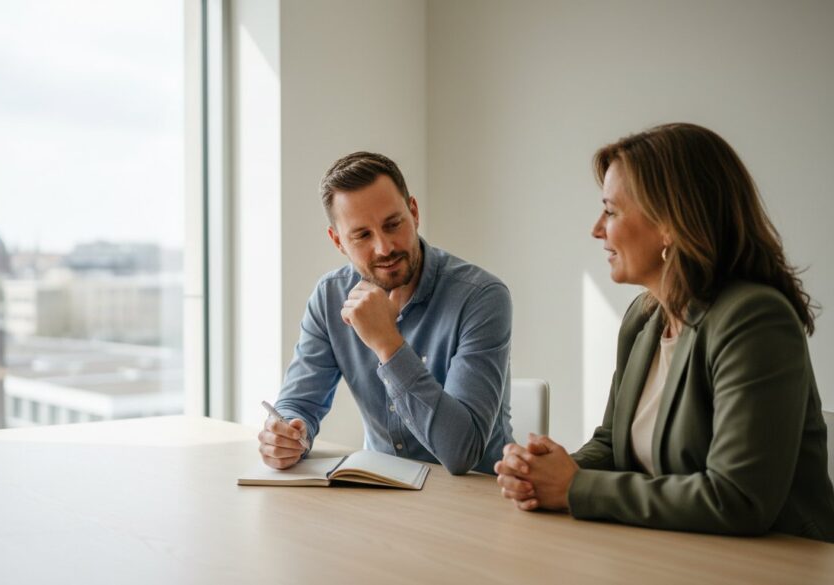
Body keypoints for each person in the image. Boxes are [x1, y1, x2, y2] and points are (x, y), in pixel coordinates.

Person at [495, 123, 834, 541]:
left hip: (777, 562)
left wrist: (574, 487)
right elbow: (613, 444)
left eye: (611, 211)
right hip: (673, 552)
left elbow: (738, 499)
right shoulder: (643, 318)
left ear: (670, 223)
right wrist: (544, 473)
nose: (597, 229)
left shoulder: (755, 319)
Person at [258, 151, 512, 475]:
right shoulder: (330, 297)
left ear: (414, 213)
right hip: (381, 488)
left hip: (474, 493)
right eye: (362, 235)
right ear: (338, 241)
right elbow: (298, 404)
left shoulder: (481, 297)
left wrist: (388, 344)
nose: (384, 247)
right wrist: (285, 436)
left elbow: (463, 452)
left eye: (393, 224)